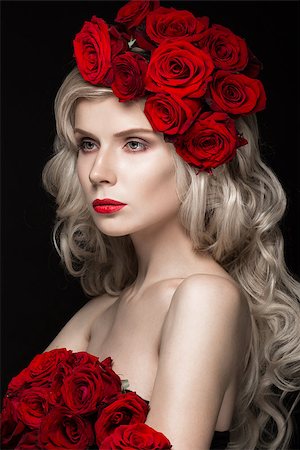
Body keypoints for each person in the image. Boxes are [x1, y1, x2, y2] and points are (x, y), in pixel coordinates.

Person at [10, 1, 300, 449]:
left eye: (134, 144)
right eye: (88, 143)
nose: (98, 171)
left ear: (197, 155)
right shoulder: (100, 311)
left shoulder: (205, 297)